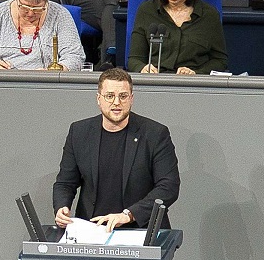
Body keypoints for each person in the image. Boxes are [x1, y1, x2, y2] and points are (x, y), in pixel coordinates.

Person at [53, 67, 179, 231]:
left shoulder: (155, 134)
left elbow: (168, 187)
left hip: (140, 229)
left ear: (131, 99)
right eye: (110, 96)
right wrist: (62, 207)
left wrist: (128, 214)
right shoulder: (79, 132)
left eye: (123, 96)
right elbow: (65, 182)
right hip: (92, 230)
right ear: (98, 99)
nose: (116, 102)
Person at [126, 0, 228, 75]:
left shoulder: (208, 15)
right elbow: (134, 60)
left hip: (192, 84)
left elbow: (220, 60)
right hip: (156, 80)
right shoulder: (146, 10)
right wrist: (143, 68)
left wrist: (196, 72)